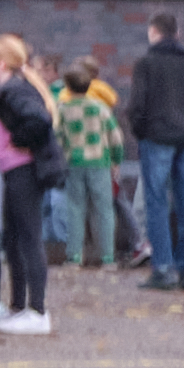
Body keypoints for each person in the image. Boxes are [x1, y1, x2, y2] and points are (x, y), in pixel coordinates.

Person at [0, 34, 58, 332]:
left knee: (28, 237)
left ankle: (37, 309)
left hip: (23, 171)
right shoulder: (10, 90)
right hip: (14, 171)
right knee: (14, 239)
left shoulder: (15, 92)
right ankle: (19, 306)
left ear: (1, 63)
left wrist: (18, 141)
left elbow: (39, 122)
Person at [126, 20, 184, 288]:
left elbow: (137, 104)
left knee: (156, 202)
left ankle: (163, 268)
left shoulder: (146, 64)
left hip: (157, 138)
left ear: (153, 31)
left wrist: (141, 132)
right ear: (178, 34)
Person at [55, 61, 124, 276]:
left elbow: (58, 139)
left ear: (67, 86)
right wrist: (116, 160)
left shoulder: (63, 110)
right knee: (104, 209)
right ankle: (108, 257)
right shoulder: (100, 108)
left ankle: (74, 256)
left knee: (75, 209)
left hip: (74, 162)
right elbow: (116, 137)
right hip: (100, 161)